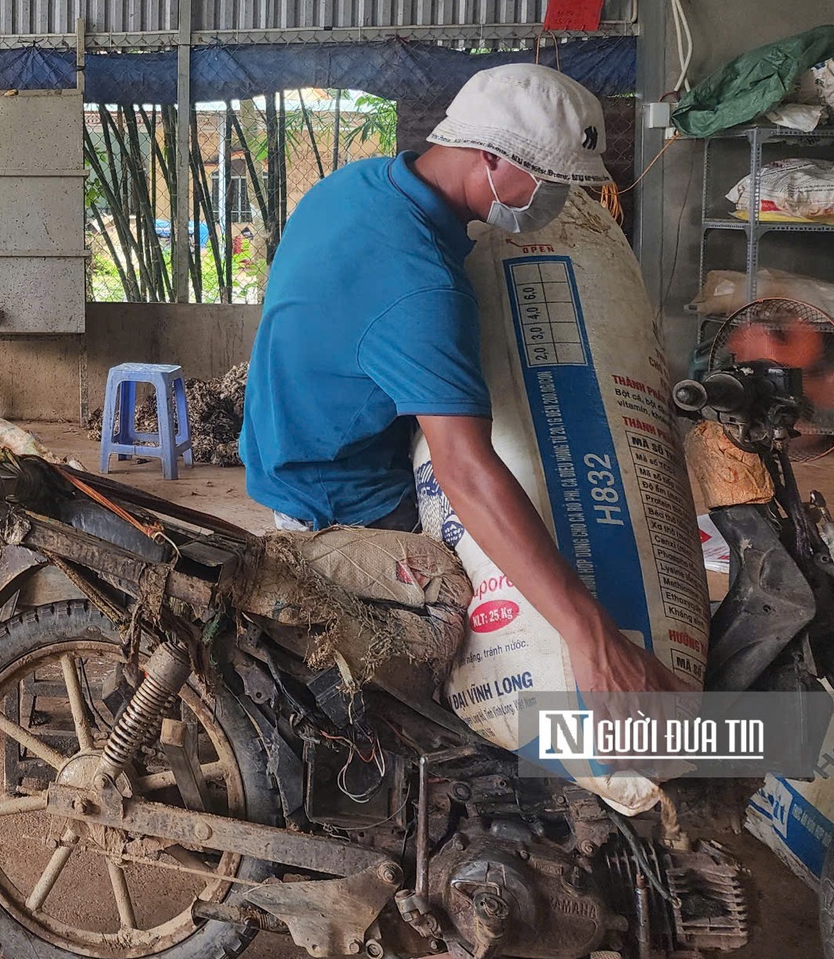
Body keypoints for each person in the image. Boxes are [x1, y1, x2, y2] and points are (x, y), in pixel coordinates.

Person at [240, 64, 682, 695]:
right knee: (462, 613)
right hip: (339, 499)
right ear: (490, 159)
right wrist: (594, 639)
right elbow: (466, 473)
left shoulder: (360, 184)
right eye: (550, 182)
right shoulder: (421, 288)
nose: (558, 200)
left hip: (290, 448)